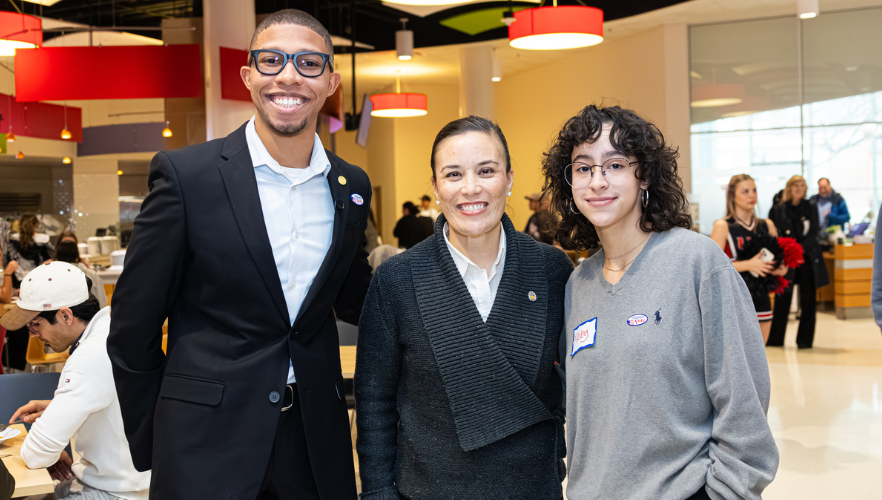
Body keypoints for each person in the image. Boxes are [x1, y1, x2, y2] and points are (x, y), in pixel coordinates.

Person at [106, 9, 372, 500]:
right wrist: (159, 438)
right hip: (205, 443)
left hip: (316, 443)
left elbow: (358, 298)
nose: (289, 76)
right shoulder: (187, 176)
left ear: (331, 82)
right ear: (248, 76)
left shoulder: (350, 185)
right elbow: (131, 327)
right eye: (272, 61)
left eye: (309, 64)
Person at [543, 105, 778, 500]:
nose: (597, 181)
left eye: (614, 165)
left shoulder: (697, 263)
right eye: (583, 168)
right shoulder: (578, 284)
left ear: (645, 174)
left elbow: (745, 407)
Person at [356, 116, 573, 500]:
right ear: (436, 187)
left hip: (532, 488)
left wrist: (554, 460)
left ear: (508, 179)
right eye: (453, 174)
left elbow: (564, 389)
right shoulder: (397, 280)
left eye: (486, 171)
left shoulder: (551, 270)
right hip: (428, 490)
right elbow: (375, 402)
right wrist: (377, 492)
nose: (470, 188)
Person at [1, 262, 150, 500]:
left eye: (35, 324)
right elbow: (117, 398)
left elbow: (35, 454)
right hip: (138, 483)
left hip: (116, 492)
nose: (32, 334)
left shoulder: (89, 357)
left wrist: (49, 447)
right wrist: (56, 407)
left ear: (65, 315)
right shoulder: (114, 331)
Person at [710, 174, 788, 343]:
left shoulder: (767, 225)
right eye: (745, 191)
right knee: (736, 361)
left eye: (754, 190)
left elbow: (781, 263)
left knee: (760, 358)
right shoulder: (722, 226)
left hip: (761, 298)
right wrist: (749, 264)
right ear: (732, 195)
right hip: (733, 300)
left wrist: (779, 267)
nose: (752, 195)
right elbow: (712, 267)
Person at [767, 175, 830, 348]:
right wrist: (789, 252)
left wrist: (799, 250)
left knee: (808, 300)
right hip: (786, 259)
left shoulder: (810, 206)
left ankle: (805, 341)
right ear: (789, 188)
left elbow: (814, 231)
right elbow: (773, 234)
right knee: (782, 298)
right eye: (795, 185)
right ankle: (775, 339)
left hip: (807, 258)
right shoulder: (780, 208)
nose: (799, 188)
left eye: (802, 185)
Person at [2, 214, 53, 371]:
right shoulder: (44, 242)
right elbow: (51, 263)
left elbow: (6, 264)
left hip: (16, 293)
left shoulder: (11, 243)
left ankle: (14, 368)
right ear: (36, 225)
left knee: (15, 329)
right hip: (38, 293)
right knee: (36, 327)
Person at [54, 241, 108, 308]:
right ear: (77, 258)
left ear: (57, 259)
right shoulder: (93, 275)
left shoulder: (53, 277)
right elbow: (102, 303)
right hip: (92, 316)